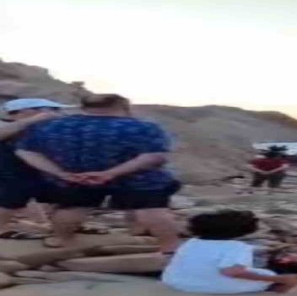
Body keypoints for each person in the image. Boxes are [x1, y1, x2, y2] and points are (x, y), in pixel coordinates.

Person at [15, 94, 181, 253]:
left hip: (75, 176)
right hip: (137, 178)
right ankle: (169, 248)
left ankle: (61, 240)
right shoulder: (142, 127)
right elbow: (155, 156)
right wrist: (110, 173)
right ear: (124, 106)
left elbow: (25, 151)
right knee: (151, 211)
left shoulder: (52, 126)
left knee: (72, 208)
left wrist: (59, 173)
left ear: (84, 107)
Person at [161, 210, 297, 294]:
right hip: (211, 288)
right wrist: (279, 278)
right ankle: (275, 293)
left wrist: (263, 250)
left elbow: (212, 254)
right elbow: (231, 272)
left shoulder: (192, 242)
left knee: (262, 265)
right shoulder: (237, 247)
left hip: (176, 282)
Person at [0, 98, 70, 239]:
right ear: (27, 111)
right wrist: (34, 120)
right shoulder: (6, 124)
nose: (56, 113)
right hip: (11, 170)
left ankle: (61, 225)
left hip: (38, 169)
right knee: (11, 199)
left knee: (63, 196)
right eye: (52, 109)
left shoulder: (44, 127)